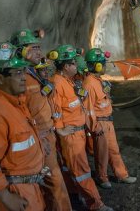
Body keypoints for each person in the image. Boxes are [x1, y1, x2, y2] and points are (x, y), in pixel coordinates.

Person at [0, 42, 46, 211]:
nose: (24, 77)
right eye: (17, 73)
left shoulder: (16, 103)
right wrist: (6, 198)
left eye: (24, 71)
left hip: (30, 187)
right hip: (16, 192)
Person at [10, 29, 72, 211]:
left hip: (48, 134)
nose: (39, 52)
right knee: (55, 181)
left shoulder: (33, 75)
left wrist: (57, 127)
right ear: (21, 51)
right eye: (33, 48)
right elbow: (21, 115)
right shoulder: (20, 79)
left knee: (51, 181)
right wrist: (37, 139)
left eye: (39, 47)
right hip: (40, 138)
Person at [48, 44, 113, 211]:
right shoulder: (57, 83)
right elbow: (54, 109)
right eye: (74, 64)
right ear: (66, 66)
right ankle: (96, 204)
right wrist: (60, 128)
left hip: (78, 133)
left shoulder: (67, 81)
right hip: (71, 136)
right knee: (82, 171)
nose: (77, 66)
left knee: (73, 169)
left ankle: (75, 197)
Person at [83, 48, 136, 189]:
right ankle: (102, 178)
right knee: (102, 153)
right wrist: (95, 127)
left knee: (114, 150)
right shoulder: (89, 83)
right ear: (97, 66)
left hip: (108, 122)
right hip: (100, 123)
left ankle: (122, 175)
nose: (104, 66)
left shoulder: (98, 80)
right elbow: (88, 108)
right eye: (102, 64)